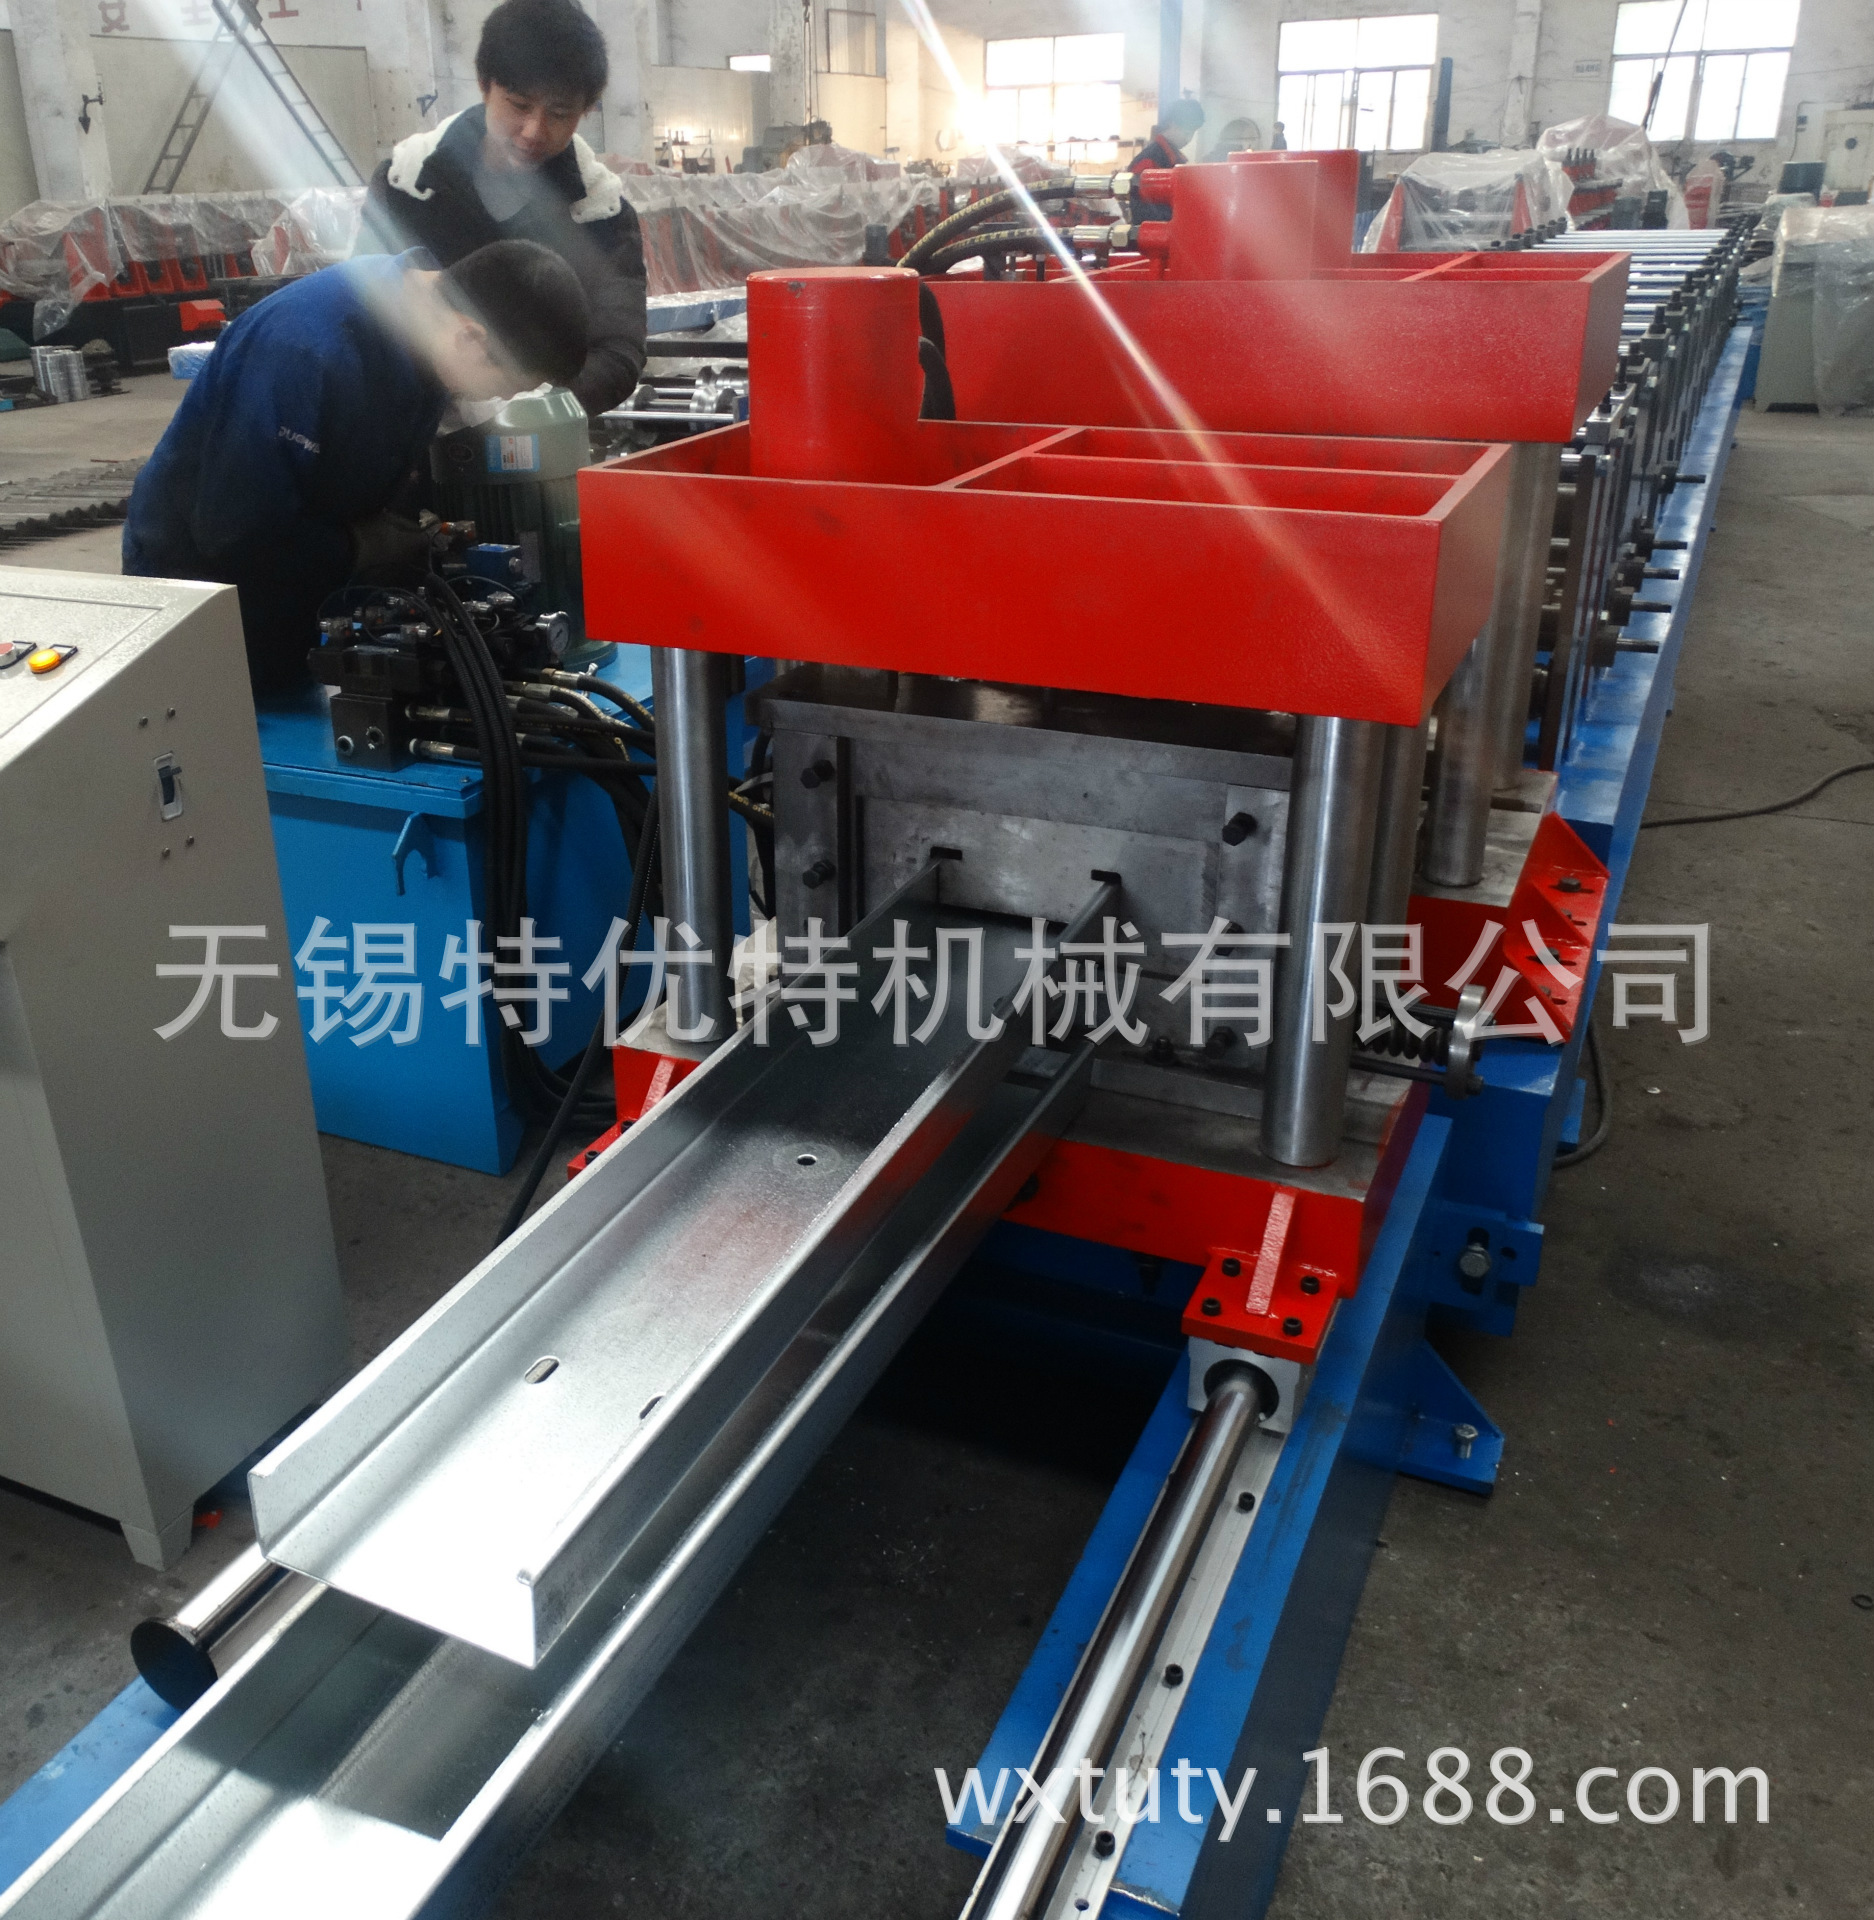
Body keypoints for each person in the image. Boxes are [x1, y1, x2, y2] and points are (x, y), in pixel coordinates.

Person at [123, 241, 589, 693]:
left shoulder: (424, 318)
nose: (503, 398)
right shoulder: (304, 347)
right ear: (470, 336)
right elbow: (232, 530)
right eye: (508, 384)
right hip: (200, 598)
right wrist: (363, 547)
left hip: (298, 586)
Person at [356, 0, 646, 418]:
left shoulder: (600, 213)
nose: (534, 131)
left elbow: (619, 351)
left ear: (586, 110)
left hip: (542, 436)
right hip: (413, 431)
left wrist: (531, 409)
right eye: (519, 105)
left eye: (559, 113)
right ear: (484, 84)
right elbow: (365, 310)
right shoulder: (407, 185)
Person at [1129, 98, 1207, 223]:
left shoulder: (1176, 160)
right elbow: (1140, 208)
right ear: (1172, 124)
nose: (1188, 139)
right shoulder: (1149, 161)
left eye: (1192, 134)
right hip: (1154, 232)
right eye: (1186, 132)